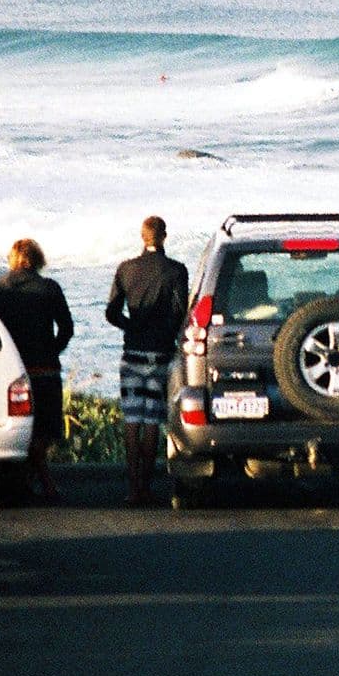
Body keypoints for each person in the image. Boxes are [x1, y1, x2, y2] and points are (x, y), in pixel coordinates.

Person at [105, 215, 190, 506]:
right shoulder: (176, 271)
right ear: (164, 236)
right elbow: (179, 313)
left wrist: (131, 326)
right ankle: (146, 486)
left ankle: (132, 487)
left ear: (143, 237)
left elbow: (111, 313)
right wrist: (166, 334)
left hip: (132, 352)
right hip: (160, 351)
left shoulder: (126, 269)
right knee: (153, 418)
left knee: (132, 420)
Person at [0, 238, 75, 503]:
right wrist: (53, 349)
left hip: (14, 370)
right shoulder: (49, 288)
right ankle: (43, 483)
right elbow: (67, 328)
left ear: (13, 259)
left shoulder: (0, 290)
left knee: (22, 427)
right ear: (37, 259)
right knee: (47, 428)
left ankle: (26, 481)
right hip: (45, 369)